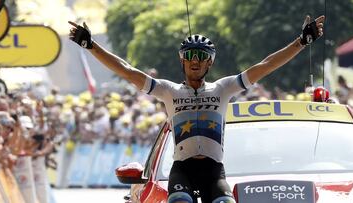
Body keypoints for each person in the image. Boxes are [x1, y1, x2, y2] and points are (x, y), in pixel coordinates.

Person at [68, 15, 325, 203]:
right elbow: (127, 70)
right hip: (182, 169)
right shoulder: (168, 91)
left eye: (202, 56)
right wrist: (91, 46)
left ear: (209, 63)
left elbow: (266, 65)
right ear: (182, 60)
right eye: (190, 55)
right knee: (179, 201)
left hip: (214, 170)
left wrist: (301, 42)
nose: (195, 61)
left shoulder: (223, 88)